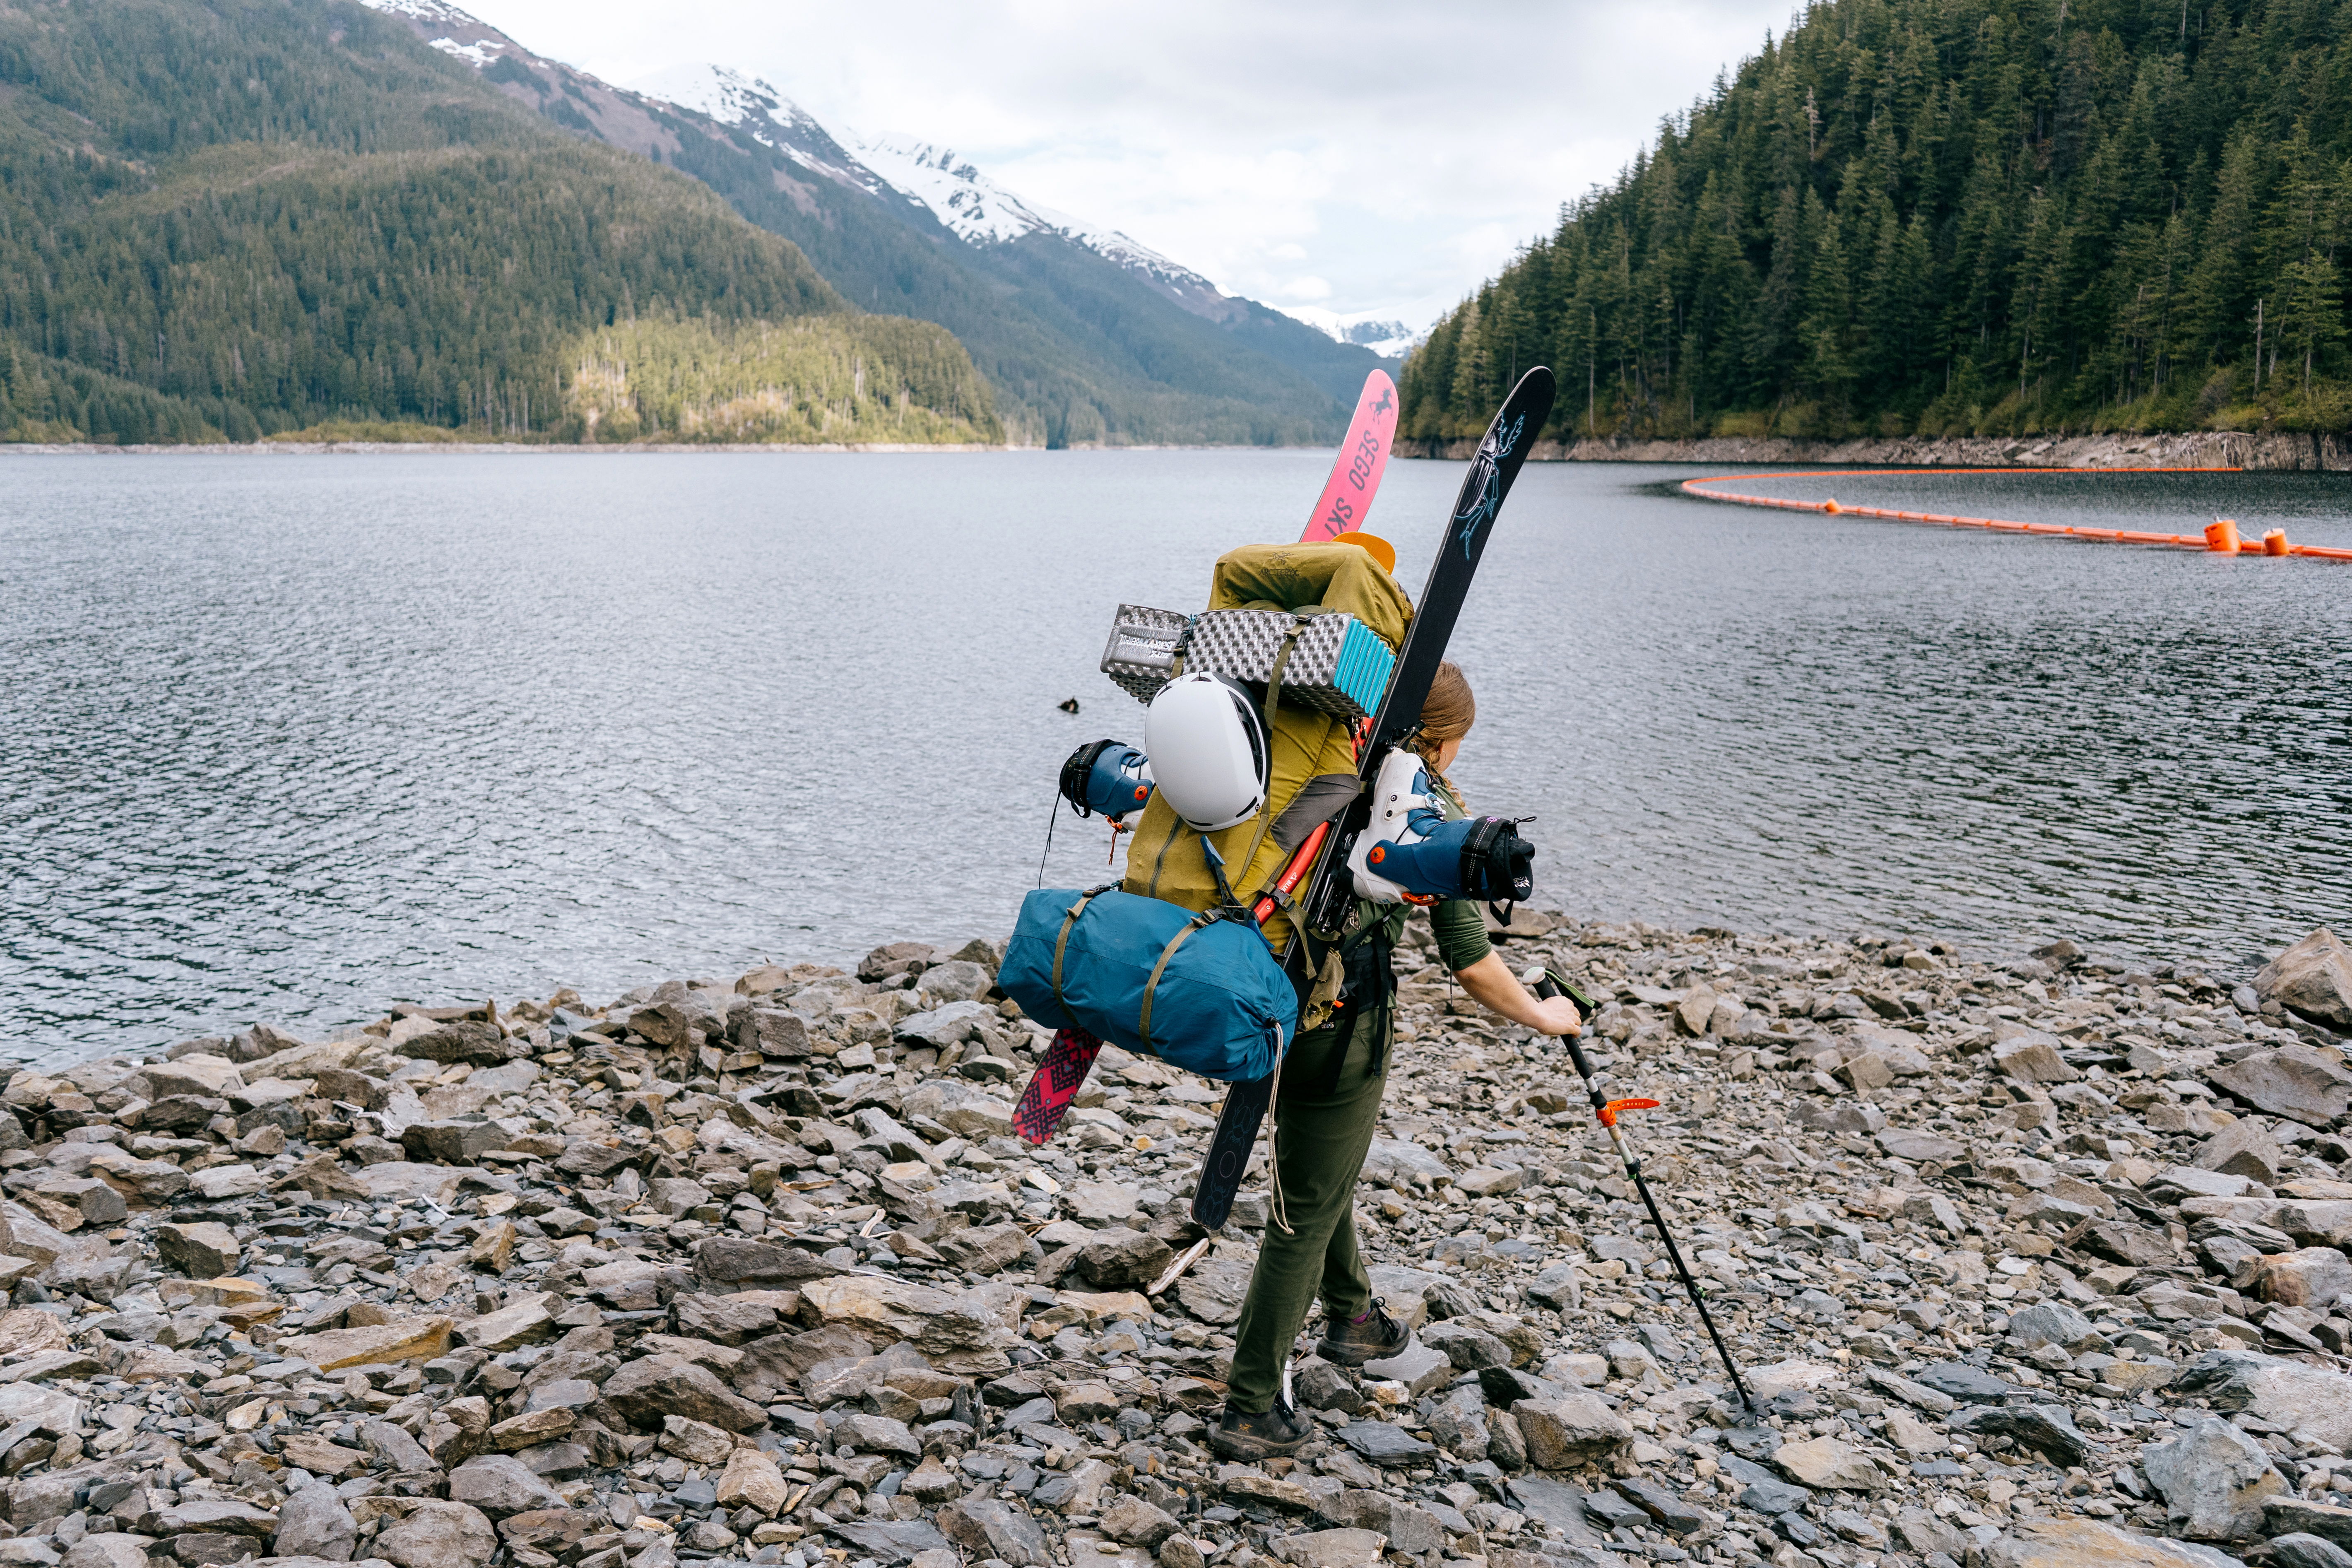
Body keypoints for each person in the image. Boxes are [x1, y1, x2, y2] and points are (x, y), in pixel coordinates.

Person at [1210, 659, 1585, 1460]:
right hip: (1342, 1021)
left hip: (1244, 994)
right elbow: (1470, 958)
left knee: (1316, 1163)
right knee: (1303, 1209)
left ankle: (1351, 1317)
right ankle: (1250, 1406)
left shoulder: (1299, 765)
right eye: (1456, 745)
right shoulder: (1419, 806)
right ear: (1441, 742)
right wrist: (1544, 1015)